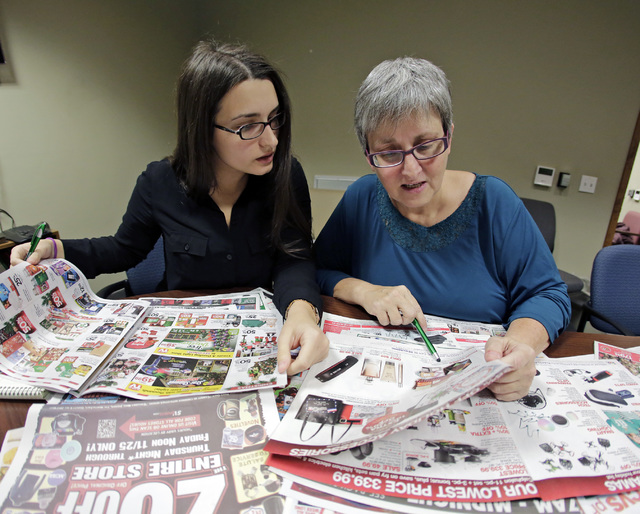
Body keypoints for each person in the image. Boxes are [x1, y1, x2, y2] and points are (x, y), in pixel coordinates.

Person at [11, 39, 328, 375]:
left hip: (257, 334)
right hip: (183, 340)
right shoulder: (159, 182)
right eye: (248, 126)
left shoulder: (286, 174)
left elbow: (295, 257)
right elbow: (122, 250)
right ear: (203, 129)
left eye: (274, 119)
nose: (271, 140)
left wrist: (301, 313)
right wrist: (55, 249)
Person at [314, 57, 571, 401]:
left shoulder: (495, 202)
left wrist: (521, 345)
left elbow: (548, 294)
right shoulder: (361, 198)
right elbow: (318, 270)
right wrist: (364, 291)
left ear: (448, 137)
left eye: (425, 146)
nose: (410, 170)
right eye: (389, 153)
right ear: (368, 154)